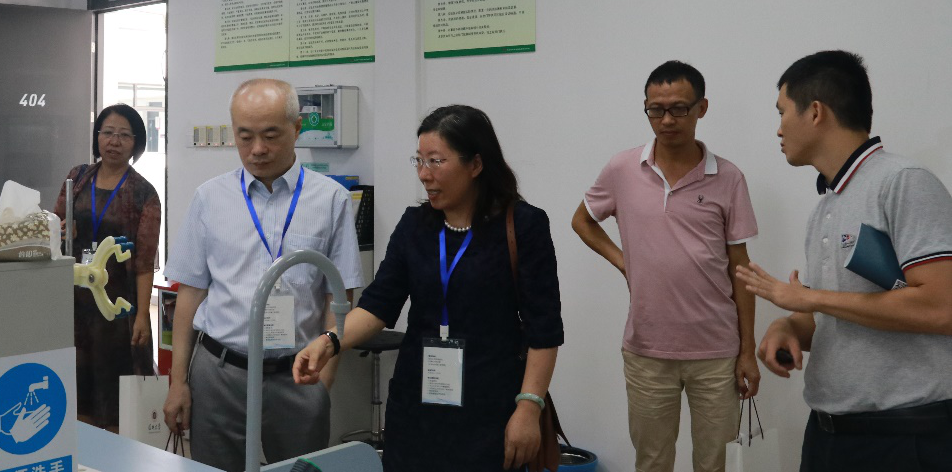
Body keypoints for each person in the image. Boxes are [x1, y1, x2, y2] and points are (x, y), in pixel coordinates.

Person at [293, 104, 563, 472]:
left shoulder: (524, 226)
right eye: (419, 161)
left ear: (476, 164)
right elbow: (377, 306)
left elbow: (543, 328)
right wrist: (329, 341)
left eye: (435, 161)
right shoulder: (415, 225)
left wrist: (529, 407)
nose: (423, 174)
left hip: (491, 406)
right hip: (417, 406)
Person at [736, 51, 952, 472]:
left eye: (782, 112)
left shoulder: (903, 182)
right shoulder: (825, 207)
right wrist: (789, 327)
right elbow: (834, 314)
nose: (778, 128)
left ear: (815, 112)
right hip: (828, 435)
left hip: (903, 438)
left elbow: (942, 307)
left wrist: (810, 299)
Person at [162, 79, 363, 472]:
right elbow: (189, 295)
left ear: (297, 128)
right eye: (245, 136)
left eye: (270, 136)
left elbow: (339, 299)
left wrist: (324, 383)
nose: (257, 149)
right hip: (220, 373)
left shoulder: (330, 199)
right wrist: (178, 382)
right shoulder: (209, 198)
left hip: (298, 375)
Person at [571, 61, 760, 472]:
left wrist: (748, 351)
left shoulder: (728, 178)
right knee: (652, 462)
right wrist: (624, 262)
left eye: (679, 109)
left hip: (716, 351)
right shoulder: (623, 169)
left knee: (714, 464)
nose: (667, 120)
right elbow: (582, 220)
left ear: (702, 108)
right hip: (647, 349)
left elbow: (740, 269)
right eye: (656, 110)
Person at [53, 103, 161, 431]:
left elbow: (145, 262)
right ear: (97, 137)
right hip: (75, 304)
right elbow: (52, 224)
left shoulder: (143, 193)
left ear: (136, 142)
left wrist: (142, 316)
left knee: (117, 399)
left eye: (124, 135)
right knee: (77, 389)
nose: (114, 141)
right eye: (108, 133)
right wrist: (60, 230)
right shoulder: (77, 178)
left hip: (118, 308)